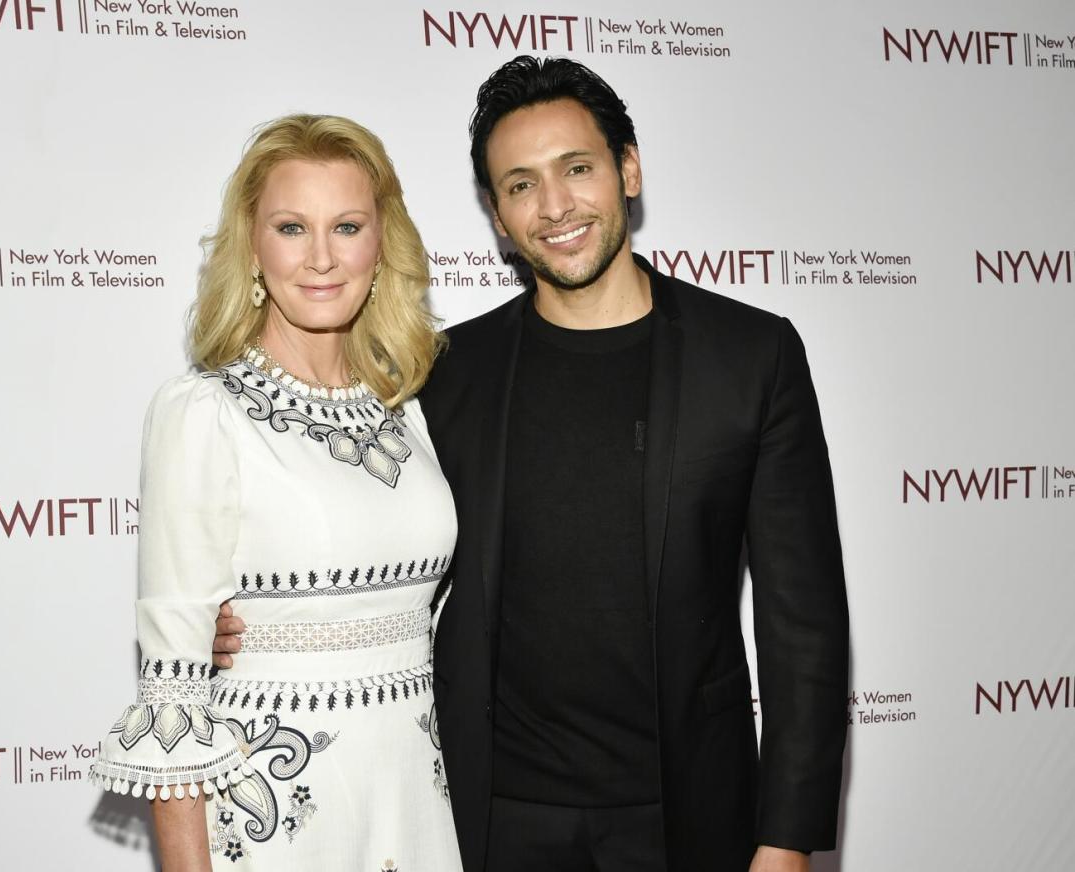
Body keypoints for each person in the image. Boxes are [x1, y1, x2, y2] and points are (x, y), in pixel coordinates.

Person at [216, 56, 849, 872]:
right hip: (489, 820)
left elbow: (805, 624)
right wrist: (238, 622)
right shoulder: (444, 372)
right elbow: (346, 524)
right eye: (519, 185)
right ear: (497, 214)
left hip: (687, 815)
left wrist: (787, 838)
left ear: (628, 169)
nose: (554, 207)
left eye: (576, 169)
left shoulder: (750, 357)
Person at [91, 114, 463, 871]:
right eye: (292, 227)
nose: (322, 257)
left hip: (413, 809)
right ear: (253, 246)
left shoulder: (405, 410)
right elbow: (173, 697)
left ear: (379, 244)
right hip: (277, 823)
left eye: (347, 225)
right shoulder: (203, 413)